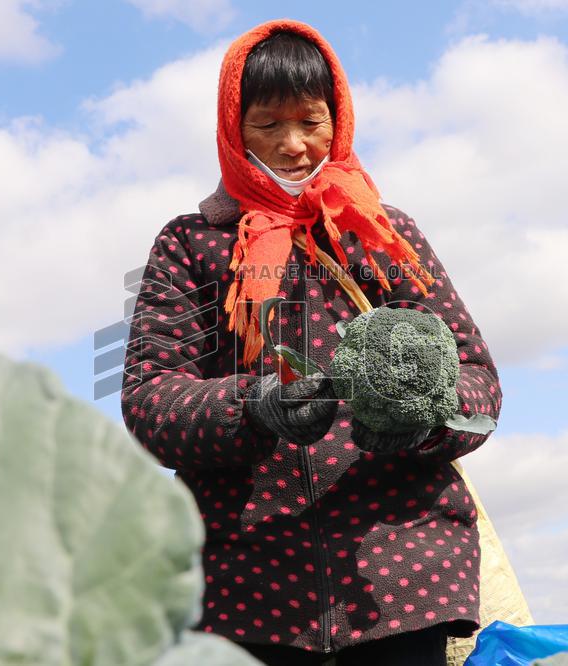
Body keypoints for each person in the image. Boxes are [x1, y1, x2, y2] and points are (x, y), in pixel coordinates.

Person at [121, 19, 502, 666]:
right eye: (268, 125)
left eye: (312, 120)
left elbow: (480, 385)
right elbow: (150, 400)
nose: (294, 145)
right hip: (245, 591)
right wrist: (252, 406)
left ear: (339, 119)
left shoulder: (384, 236)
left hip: (404, 581)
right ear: (232, 129)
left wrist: (426, 418)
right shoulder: (190, 245)